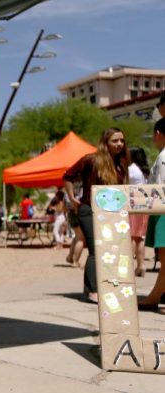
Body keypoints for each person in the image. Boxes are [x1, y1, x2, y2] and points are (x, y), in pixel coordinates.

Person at [64, 127, 130, 304]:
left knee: (111, 250)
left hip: (112, 212)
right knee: (96, 249)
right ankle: (91, 290)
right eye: (115, 141)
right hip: (89, 210)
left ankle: (107, 286)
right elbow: (68, 176)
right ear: (105, 143)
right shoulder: (91, 160)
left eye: (121, 141)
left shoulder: (121, 164)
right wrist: (71, 198)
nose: (119, 144)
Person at [139, 119, 165, 310]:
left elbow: (160, 187)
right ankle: (155, 295)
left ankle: (155, 297)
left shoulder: (163, 157)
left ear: (158, 134)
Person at [128, 147, 149, 276]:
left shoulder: (131, 169)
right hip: (143, 204)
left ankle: (129, 266)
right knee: (139, 237)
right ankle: (141, 265)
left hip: (132, 204)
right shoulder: (143, 170)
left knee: (129, 237)